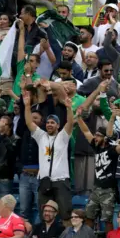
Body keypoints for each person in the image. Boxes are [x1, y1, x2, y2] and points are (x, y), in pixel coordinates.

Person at [23, 91, 74, 225]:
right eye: (47, 122)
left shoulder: (63, 136)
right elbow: (29, 122)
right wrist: (27, 105)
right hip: (44, 181)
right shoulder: (41, 136)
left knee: (65, 215)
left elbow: (70, 122)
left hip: (61, 181)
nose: (49, 124)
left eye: (53, 123)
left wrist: (69, 108)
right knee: (44, 215)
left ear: (58, 125)